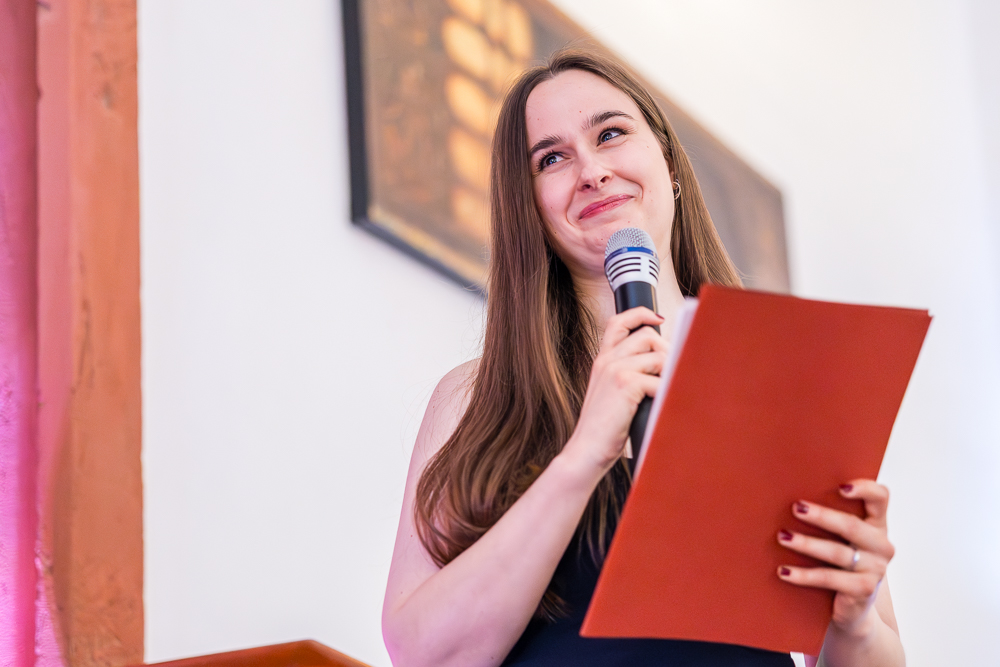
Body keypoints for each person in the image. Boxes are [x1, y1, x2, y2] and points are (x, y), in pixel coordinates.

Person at [382, 49, 904, 667]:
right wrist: (583, 456)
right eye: (551, 158)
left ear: (668, 162)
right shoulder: (477, 398)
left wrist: (855, 623)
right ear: (529, 208)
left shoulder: (787, 385)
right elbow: (422, 655)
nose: (592, 171)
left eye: (610, 134)